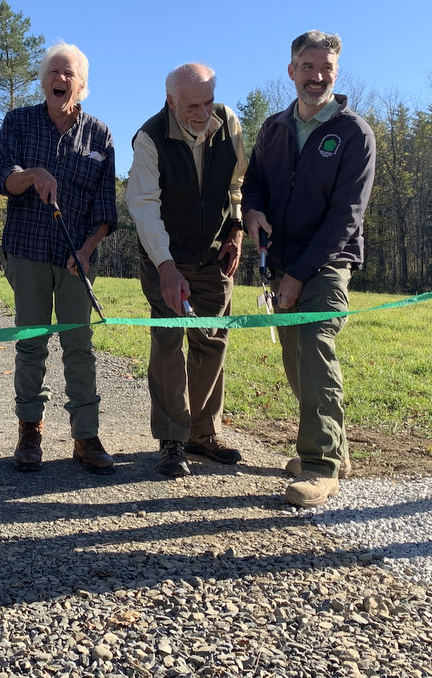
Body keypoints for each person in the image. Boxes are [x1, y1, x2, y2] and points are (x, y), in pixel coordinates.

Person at [242, 30, 375, 508]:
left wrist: (300, 274)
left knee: (316, 351)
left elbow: (347, 216)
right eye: (308, 66)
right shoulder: (273, 128)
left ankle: (319, 465)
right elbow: (254, 183)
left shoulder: (354, 133)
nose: (317, 77)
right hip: (280, 264)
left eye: (327, 69)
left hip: (326, 263)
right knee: (297, 361)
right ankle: (334, 447)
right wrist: (251, 213)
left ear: (336, 74)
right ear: (292, 70)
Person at [0, 42, 118, 475]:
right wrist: (32, 176)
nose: (60, 79)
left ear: (81, 85)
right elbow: (3, 181)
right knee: (31, 345)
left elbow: (106, 211)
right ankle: (30, 431)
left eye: (69, 74)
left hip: (76, 260)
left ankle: (86, 436)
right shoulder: (18, 122)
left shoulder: (100, 135)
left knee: (79, 347)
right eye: (53, 72)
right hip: (26, 252)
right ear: (43, 79)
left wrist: (85, 251)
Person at [127, 63, 247, 478]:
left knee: (212, 340)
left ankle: (203, 433)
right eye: (193, 105)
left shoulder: (228, 123)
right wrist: (166, 266)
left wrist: (236, 228)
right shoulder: (149, 138)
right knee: (168, 342)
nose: (203, 112)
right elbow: (143, 206)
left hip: (214, 253)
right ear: (170, 101)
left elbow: (238, 183)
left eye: (209, 101)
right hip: (165, 254)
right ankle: (171, 439)